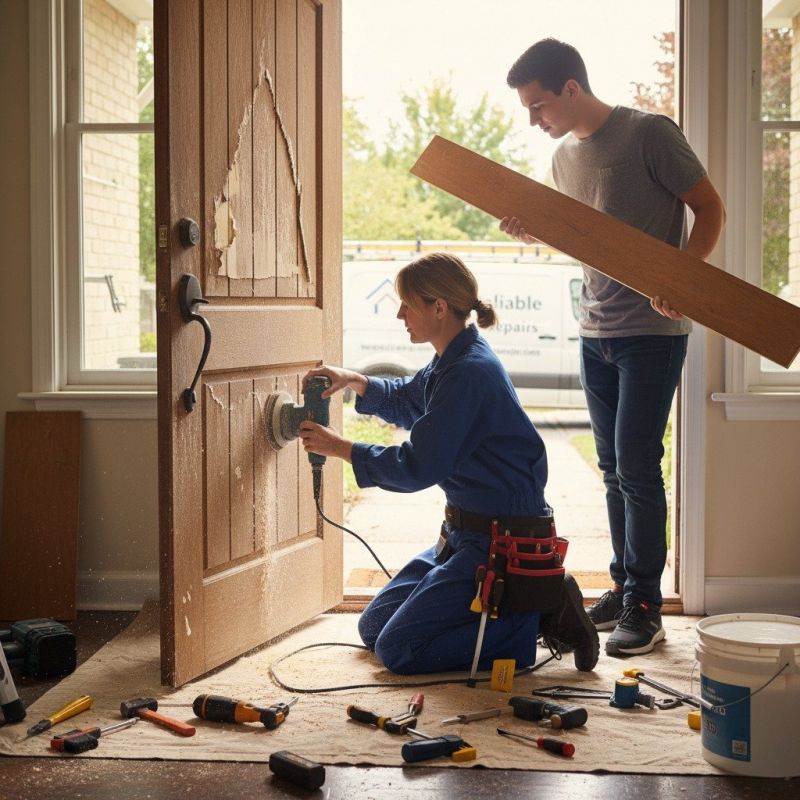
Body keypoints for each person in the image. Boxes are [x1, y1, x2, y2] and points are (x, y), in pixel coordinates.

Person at [501, 38, 726, 656]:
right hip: (595, 332)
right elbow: (590, 244)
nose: (535, 120)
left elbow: (709, 208)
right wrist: (536, 232)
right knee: (611, 469)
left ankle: (646, 605)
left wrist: (682, 276)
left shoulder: (649, 133)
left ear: (571, 89)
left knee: (636, 466)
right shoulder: (563, 162)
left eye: (539, 105)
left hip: (651, 334)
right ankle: (624, 585)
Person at [298, 252, 598, 675]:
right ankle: (515, 607)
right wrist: (357, 380)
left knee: (399, 650)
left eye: (407, 303)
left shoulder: (469, 372)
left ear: (439, 307)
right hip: (463, 535)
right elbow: (408, 397)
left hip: (499, 545)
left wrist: (342, 448)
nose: (400, 313)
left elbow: (417, 467)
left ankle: (538, 616)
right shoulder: (451, 358)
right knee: (374, 626)